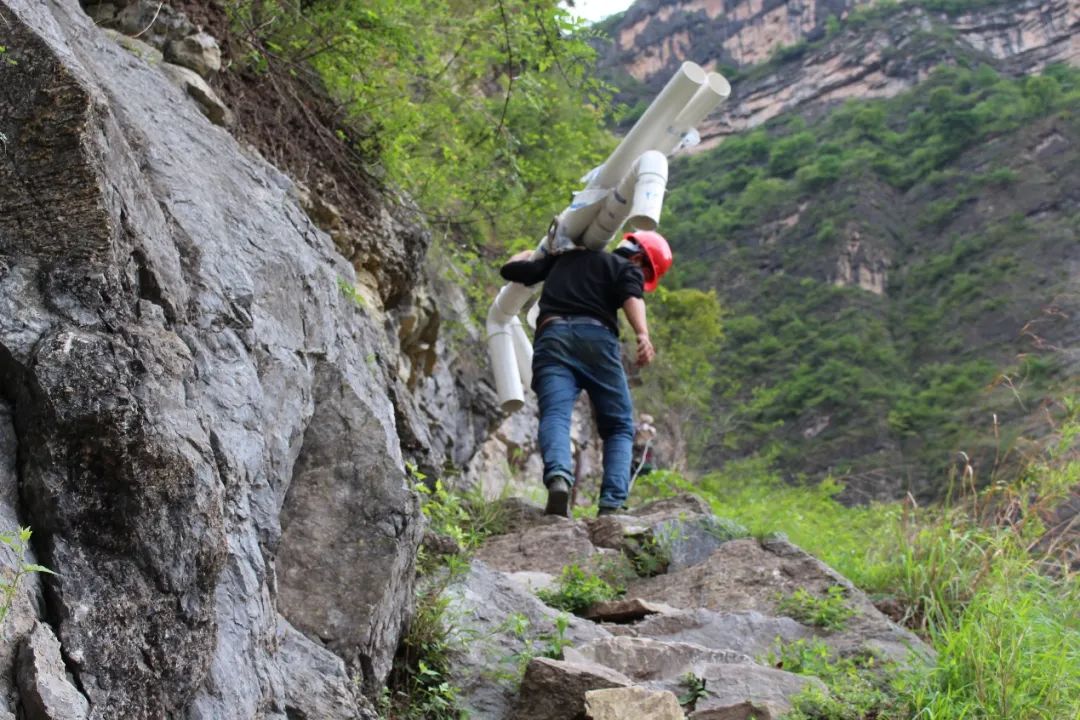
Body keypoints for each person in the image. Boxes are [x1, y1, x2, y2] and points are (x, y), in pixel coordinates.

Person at [499, 231, 673, 517]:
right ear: (639, 257)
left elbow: (513, 270)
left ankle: (558, 479)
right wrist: (642, 334)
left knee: (555, 414)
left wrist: (527, 252)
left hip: (551, 336)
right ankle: (612, 504)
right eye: (644, 273)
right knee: (618, 426)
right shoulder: (624, 268)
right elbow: (632, 296)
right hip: (596, 338)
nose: (641, 279)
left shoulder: (562, 257)